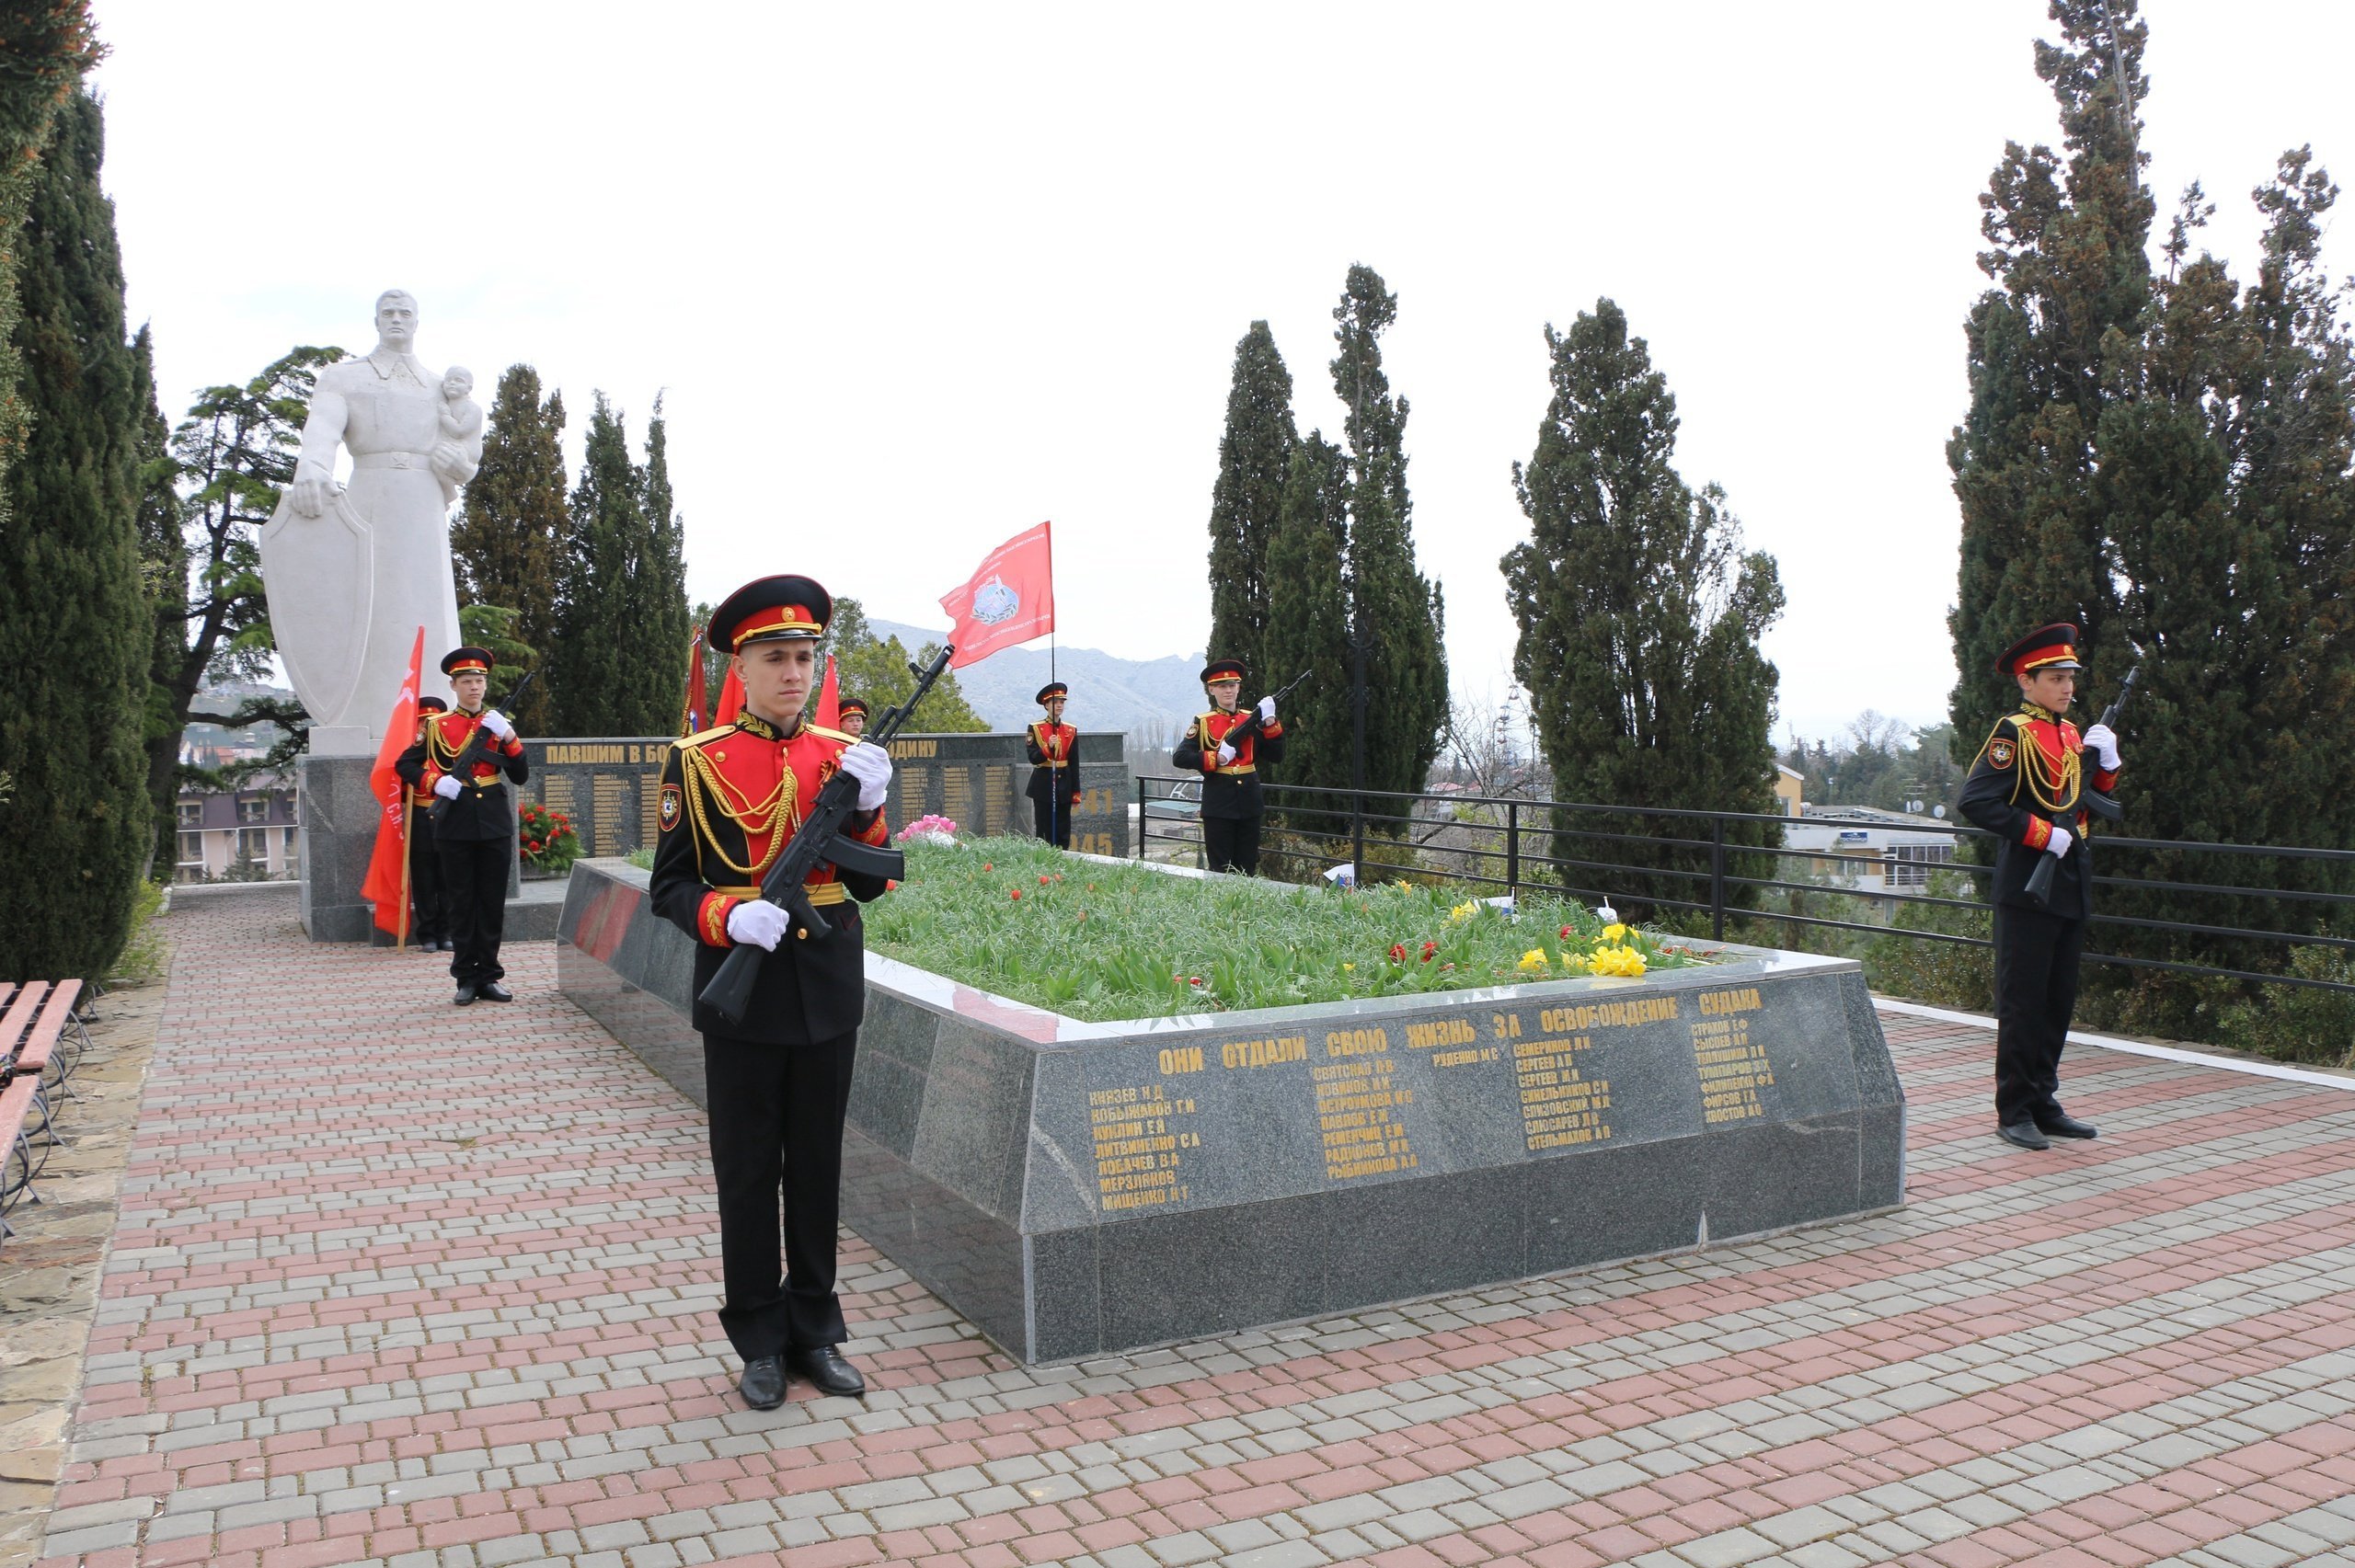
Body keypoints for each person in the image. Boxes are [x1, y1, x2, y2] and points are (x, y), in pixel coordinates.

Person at [649, 574, 895, 1410]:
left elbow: (869, 886)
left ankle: (816, 1329)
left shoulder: (843, 756)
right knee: (748, 1169)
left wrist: (870, 806)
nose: (794, 673)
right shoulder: (696, 760)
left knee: (818, 1165)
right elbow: (670, 889)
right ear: (742, 669)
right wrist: (728, 915)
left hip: (825, 985)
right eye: (775, 659)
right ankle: (759, 1334)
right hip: (743, 987)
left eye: (803, 657)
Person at [1959, 622, 2122, 1151]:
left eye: (2070, 677)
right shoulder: (2014, 733)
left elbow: (2080, 797)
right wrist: (2039, 833)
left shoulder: (2072, 733)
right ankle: (2015, 1108)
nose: (2067, 687)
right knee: (2023, 1000)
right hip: (2029, 880)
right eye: (2055, 678)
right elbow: (1977, 801)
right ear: (2027, 682)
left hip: (2070, 876)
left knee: (2057, 998)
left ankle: (2044, 1100)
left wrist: (2108, 767)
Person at [396, 647, 527, 1004]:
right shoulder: (436, 726)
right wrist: (434, 783)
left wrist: (511, 739)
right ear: (453, 686)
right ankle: (465, 978)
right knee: (461, 902)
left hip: (493, 823)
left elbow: (520, 775)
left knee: (490, 903)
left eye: (480, 681)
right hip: (454, 824)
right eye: (467, 681)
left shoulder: (498, 725)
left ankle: (489, 975)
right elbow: (405, 765)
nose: (474, 687)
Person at [1173, 659, 1284, 875]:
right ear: (1212, 689)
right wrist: (1217, 759)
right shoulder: (1204, 722)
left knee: (1247, 865)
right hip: (1219, 802)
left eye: (1232, 685)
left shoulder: (1251, 719)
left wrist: (1270, 722)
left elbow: (1276, 756)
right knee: (1220, 867)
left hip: (1249, 801)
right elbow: (1180, 757)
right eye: (1222, 686)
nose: (1228, 690)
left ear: (1238, 687)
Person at [405, 696, 450, 952]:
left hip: (447, 817)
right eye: (423, 721)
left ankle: (447, 932)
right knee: (424, 879)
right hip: (420, 817)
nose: (426, 725)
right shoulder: (412, 748)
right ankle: (428, 934)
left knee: (448, 878)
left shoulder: (451, 747)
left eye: (432, 720)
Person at [1025, 682, 1083, 848]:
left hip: (1064, 782)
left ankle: (1062, 859)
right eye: (1055, 702)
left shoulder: (1070, 730)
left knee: (1063, 829)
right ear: (1046, 705)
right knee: (1044, 829)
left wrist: (1075, 791)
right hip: (1043, 782)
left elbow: (1074, 762)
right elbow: (1033, 758)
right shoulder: (1035, 728)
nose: (1059, 705)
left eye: (1062, 702)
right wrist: (1047, 747)